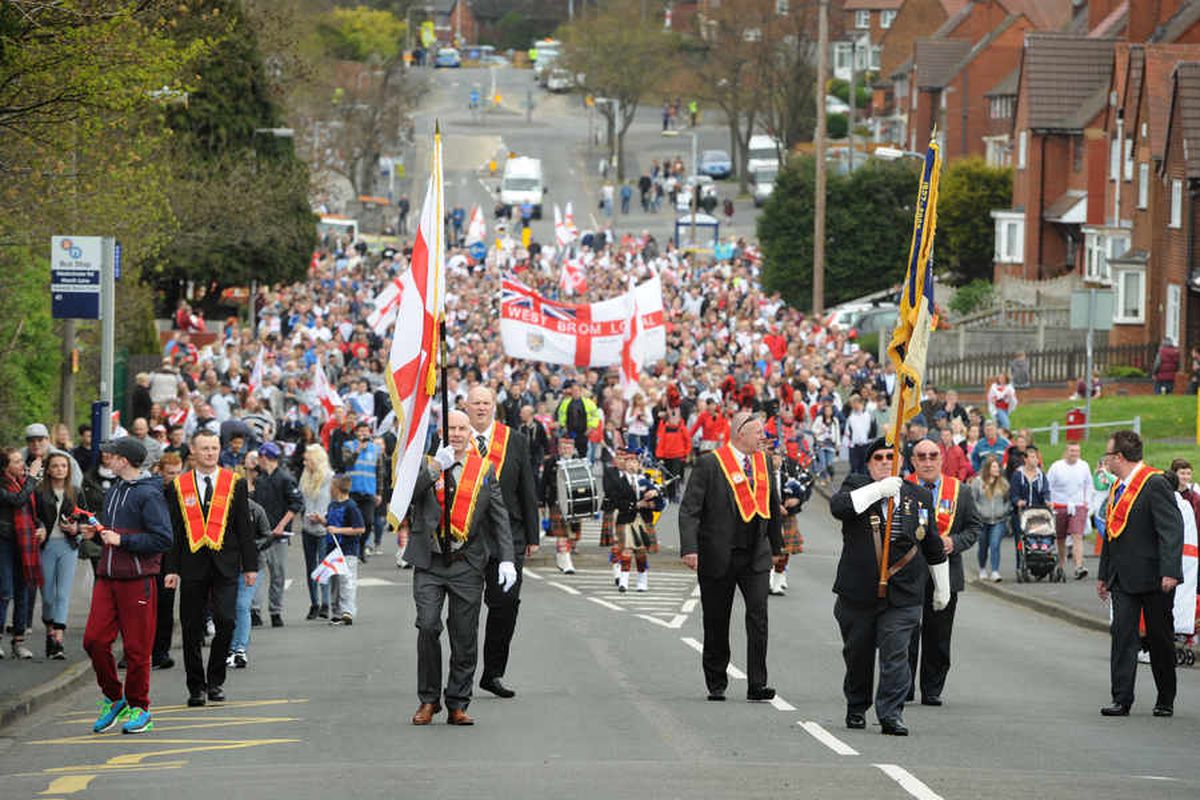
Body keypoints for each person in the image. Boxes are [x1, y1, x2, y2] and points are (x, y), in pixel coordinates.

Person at [828, 437, 950, 736]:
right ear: (869, 464)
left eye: (890, 457)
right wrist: (877, 491)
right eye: (878, 458)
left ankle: (891, 713)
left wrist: (942, 587)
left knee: (896, 655)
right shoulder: (856, 486)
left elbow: (931, 543)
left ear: (902, 463)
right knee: (858, 655)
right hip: (858, 593)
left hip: (904, 593)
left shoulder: (918, 495)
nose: (884, 462)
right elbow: (839, 508)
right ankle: (857, 706)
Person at [404, 410, 515, 726]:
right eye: (450, 428)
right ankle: (428, 700)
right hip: (430, 561)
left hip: (467, 563)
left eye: (461, 428)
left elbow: (499, 517)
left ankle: (457, 702)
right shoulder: (425, 464)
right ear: (443, 432)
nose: (455, 433)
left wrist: (507, 558)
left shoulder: (484, 470)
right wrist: (435, 468)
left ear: (470, 434)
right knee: (427, 626)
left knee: (464, 635)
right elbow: (403, 498)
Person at [678, 411, 784, 703]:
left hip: (756, 556)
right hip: (718, 553)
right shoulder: (710, 463)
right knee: (716, 619)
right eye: (758, 432)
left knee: (758, 616)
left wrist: (777, 548)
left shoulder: (762, 462)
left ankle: (757, 683)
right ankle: (716, 681)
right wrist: (689, 548)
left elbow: (772, 506)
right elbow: (690, 509)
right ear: (740, 433)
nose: (763, 437)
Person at [80, 437, 173, 735]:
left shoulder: (149, 494)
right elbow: (112, 531)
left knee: (136, 649)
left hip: (138, 580)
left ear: (126, 460)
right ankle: (113, 697)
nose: (108, 457)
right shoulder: (115, 489)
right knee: (93, 641)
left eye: (114, 454)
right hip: (107, 577)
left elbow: (163, 539)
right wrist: (94, 532)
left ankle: (140, 708)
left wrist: (123, 541)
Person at [163, 429, 258, 708]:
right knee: (192, 628)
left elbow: (244, 527)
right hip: (192, 565)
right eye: (204, 448)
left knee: (226, 620)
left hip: (226, 564)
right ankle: (196, 687)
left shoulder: (235, 483)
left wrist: (250, 566)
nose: (210, 453)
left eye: (214, 448)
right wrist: (171, 568)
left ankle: (215, 680)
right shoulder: (179, 486)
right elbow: (175, 532)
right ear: (193, 450)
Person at [1097, 430, 1184, 717]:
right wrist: (1103, 574)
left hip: (1155, 578)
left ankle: (1165, 697)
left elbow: (1171, 531)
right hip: (1122, 577)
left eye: (1109, 455)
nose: (1106, 460)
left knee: (1159, 639)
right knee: (1122, 636)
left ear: (1119, 457)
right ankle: (1122, 698)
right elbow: (1112, 534)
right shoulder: (1117, 488)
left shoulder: (1154, 483)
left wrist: (1170, 571)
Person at [465, 386, 539, 699]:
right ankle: (461, 676)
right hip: (465, 537)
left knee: (505, 606)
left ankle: (493, 673)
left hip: (508, 537)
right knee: (464, 611)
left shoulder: (516, 440)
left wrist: (533, 536)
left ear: (494, 406)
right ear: (466, 407)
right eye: (476, 403)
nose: (481, 408)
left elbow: (527, 488)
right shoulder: (453, 438)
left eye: (486, 403)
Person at [905, 438, 980, 707]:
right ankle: (903, 686)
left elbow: (974, 528)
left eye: (932, 456)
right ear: (913, 461)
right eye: (921, 456)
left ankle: (932, 688)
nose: (927, 461)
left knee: (938, 636)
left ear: (942, 459)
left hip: (946, 574)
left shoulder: (960, 491)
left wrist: (955, 542)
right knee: (906, 633)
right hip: (908, 573)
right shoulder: (902, 488)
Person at [250, 441, 302, 627]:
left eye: (260, 458)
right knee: (256, 572)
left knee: (278, 574)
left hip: (279, 535)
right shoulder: (260, 479)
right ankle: (255, 610)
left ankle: (275, 611)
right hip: (261, 534)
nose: (259, 462)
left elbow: (296, 504)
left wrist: (281, 525)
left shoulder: (286, 479)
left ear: (266, 457)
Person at [36, 451, 82, 659]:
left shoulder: (76, 491)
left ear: (69, 469)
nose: (60, 469)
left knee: (62, 594)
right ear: (48, 470)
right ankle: (49, 630)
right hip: (45, 546)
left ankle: (58, 640)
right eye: (55, 466)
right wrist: (39, 527)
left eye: (63, 466)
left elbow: (87, 519)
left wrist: (76, 529)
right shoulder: (39, 492)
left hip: (68, 546)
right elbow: (32, 517)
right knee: (47, 596)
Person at [0, 446, 41, 660]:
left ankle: (18, 642)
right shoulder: (5, 485)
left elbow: (32, 512)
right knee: (5, 591)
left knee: (23, 590)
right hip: (5, 541)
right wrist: (33, 477)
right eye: (16, 461)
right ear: (5, 467)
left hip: (23, 542)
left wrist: (40, 525)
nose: (21, 465)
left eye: (20, 460)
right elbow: (17, 501)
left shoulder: (23, 482)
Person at [603, 446, 662, 593]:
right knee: (627, 550)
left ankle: (642, 581)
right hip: (626, 519)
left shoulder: (647, 482)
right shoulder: (619, 482)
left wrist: (653, 497)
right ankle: (624, 581)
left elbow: (660, 504)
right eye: (628, 461)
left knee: (641, 552)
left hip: (643, 520)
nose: (631, 464)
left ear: (639, 465)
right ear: (624, 464)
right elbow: (616, 501)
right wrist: (636, 504)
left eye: (634, 462)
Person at [228, 494, 272, 668]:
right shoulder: (220, 509)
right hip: (226, 566)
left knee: (242, 605)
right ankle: (230, 646)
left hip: (252, 565)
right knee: (226, 608)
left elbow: (267, 535)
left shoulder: (256, 509)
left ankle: (239, 649)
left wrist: (251, 546)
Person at [150, 453, 183, 669]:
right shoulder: (151, 491)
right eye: (171, 473)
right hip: (149, 553)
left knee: (166, 606)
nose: (175, 477)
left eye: (178, 473)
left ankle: (161, 651)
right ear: (160, 471)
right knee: (144, 606)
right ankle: (141, 651)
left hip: (170, 556)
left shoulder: (181, 492)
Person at [1047, 443, 1094, 580]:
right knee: (1060, 538)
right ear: (1066, 451)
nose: (1074, 453)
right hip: (1059, 505)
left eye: (1077, 451)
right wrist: (1049, 502)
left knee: (1077, 535)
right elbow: (1048, 485)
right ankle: (1061, 565)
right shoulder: (1057, 467)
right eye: (1072, 451)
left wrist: (1087, 501)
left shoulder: (1083, 466)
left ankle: (1078, 566)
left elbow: (1088, 484)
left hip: (1078, 505)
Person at [299, 444, 333, 620]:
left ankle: (326, 603)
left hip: (324, 527)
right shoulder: (304, 477)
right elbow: (301, 500)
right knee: (310, 566)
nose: (305, 463)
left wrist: (323, 517)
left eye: (308, 460)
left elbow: (332, 501)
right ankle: (314, 603)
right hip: (307, 527)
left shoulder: (329, 477)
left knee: (324, 566)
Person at [326, 475, 365, 625]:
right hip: (332, 551)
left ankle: (347, 611)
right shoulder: (332, 506)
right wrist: (321, 521)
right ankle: (336, 611)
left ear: (336, 488)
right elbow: (330, 524)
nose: (329, 489)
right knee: (335, 582)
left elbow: (360, 528)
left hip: (347, 550)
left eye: (331, 486)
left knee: (346, 581)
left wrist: (338, 530)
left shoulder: (351, 506)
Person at [769, 441, 807, 596]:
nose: (775, 461)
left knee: (784, 551)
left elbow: (801, 493)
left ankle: (778, 581)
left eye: (777, 458)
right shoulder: (763, 475)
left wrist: (796, 501)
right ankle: (768, 579)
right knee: (768, 549)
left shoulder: (787, 477)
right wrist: (775, 507)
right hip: (768, 518)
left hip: (786, 518)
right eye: (772, 457)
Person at [343, 421, 383, 560]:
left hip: (369, 491)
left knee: (368, 522)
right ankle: (351, 549)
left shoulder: (376, 449)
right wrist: (358, 449)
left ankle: (361, 546)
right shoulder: (348, 446)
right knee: (352, 523)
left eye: (366, 431)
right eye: (360, 431)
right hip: (352, 491)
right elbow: (347, 463)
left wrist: (379, 493)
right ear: (356, 433)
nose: (363, 434)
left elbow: (379, 472)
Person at [970, 455, 1011, 582]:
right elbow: (973, 500)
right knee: (983, 545)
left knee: (995, 544)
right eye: (994, 467)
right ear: (988, 468)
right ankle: (982, 568)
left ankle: (995, 571)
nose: (997, 469)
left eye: (998, 467)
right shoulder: (978, 482)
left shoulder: (1003, 483)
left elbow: (1008, 500)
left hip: (998, 520)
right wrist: (980, 511)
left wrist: (1004, 510)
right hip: (982, 520)